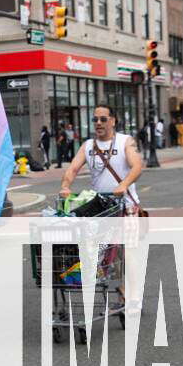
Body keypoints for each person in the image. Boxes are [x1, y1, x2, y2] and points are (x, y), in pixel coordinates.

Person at [59, 105, 144, 310]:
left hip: (127, 207)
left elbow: (137, 166)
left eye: (103, 119)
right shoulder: (88, 146)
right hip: (102, 209)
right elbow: (73, 168)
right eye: (95, 119)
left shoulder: (126, 141)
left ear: (112, 121)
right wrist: (65, 186)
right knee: (107, 256)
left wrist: (123, 184)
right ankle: (122, 292)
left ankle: (133, 299)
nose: (98, 123)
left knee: (128, 253)